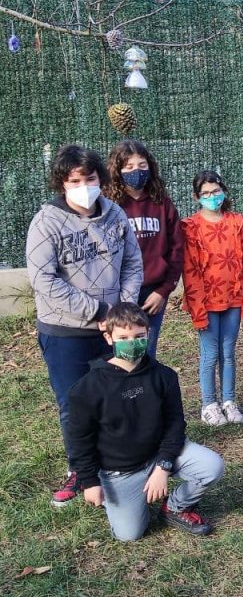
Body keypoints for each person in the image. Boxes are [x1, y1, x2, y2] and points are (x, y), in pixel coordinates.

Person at [26, 144, 143, 507]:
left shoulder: (115, 215)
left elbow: (133, 264)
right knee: (74, 404)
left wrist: (121, 310)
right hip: (66, 332)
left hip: (113, 329)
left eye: (89, 178)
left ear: (100, 178)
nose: (83, 187)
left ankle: (119, 461)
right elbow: (43, 280)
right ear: (62, 183)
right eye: (74, 181)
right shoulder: (46, 222)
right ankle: (80, 469)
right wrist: (98, 311)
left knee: (118, 396)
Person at [66, 303, 224, 540]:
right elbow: (80, 440)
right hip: (120, 470)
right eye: (123, 338)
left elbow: (175, 424)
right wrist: (89, 482)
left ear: (148, 334)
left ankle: (175, 507)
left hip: (159, 455)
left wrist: (163, 467)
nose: (132, 343)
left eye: (139, 336)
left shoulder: (164, 376)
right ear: (109, 338)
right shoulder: (87, 389)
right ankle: (120, 499)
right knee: (129, 534)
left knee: (212, 466)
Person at [182, 170, 243, 426]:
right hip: (206, 301)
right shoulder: (190, 227)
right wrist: (197, 309)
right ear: (197, 197)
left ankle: (229, 400)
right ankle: (209, 404)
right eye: (206, 193)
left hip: (233, 298)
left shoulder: (237, 222)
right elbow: (190, 270)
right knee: (210, 354)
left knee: (228, 353)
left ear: (223, 190)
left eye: (215, 191)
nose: (212, 197)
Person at [105, 139, 185, 356]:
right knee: (119, 353)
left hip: (152, 294)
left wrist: (164, 290)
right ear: (117, 170)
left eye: (142, 165)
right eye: (129, 166)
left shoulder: (162, 203)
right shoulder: (108, 205)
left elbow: (177, 249)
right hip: (118, 292)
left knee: (146, 352)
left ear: (150, 167)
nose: (136, 171)